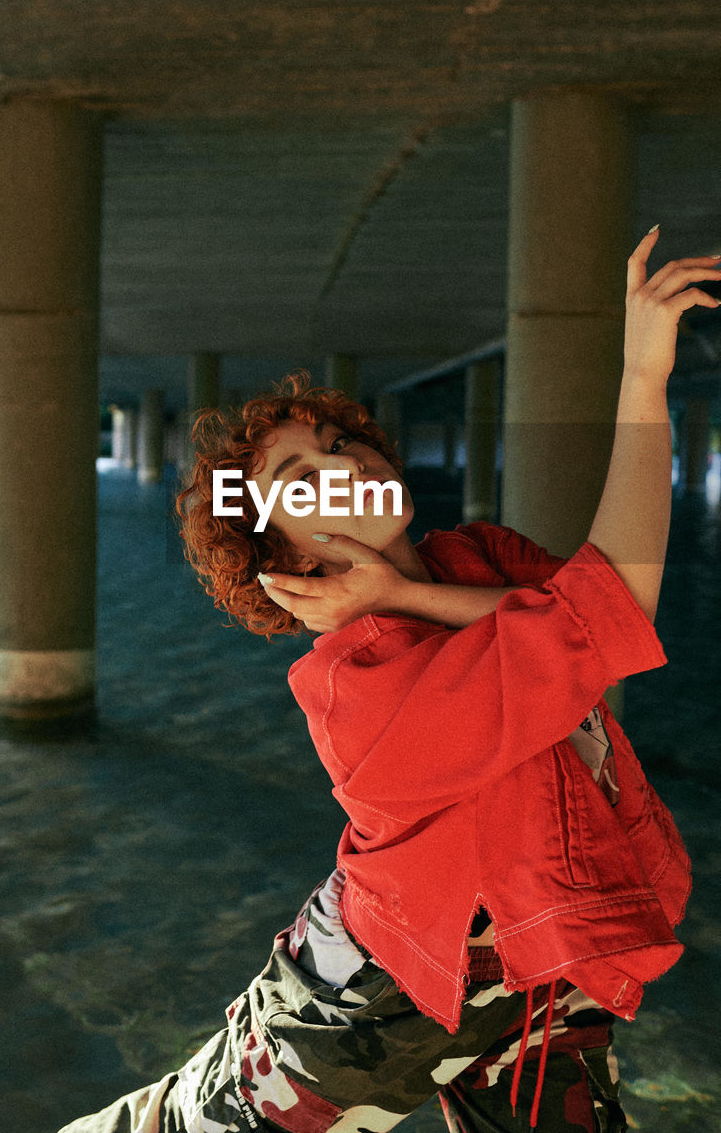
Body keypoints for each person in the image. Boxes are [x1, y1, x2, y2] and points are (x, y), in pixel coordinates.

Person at [58, 229, 717, 1133]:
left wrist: (410, 588)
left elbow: (587, 614)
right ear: (280, 556)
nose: (344, 461)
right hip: (380, 996)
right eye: (300, 475)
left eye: (339, 439)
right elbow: (603, 612)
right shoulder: (350, 684)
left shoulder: (478, 553)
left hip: (548, 969)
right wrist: (641, 380)